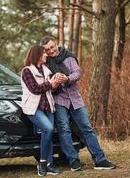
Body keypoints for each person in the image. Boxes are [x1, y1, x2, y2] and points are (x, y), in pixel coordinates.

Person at [40, 36, 116, 171]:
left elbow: (77, 73)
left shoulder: (68, 57)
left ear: (56, 44)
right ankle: (73, 161)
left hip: (75, 99)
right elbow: (45, 83)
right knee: (64, 130)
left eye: (52, 47)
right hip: (59, 100)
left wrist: (67, 78)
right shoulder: (45, 64)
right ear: (45, 51)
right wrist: (55, 82)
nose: (51, 51)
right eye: (47, 50)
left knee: (87, 128)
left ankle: (100, 160)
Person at [20, 45, 61, 176]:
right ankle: (42, 162)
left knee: (47, 134)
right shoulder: (27, 71)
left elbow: (51, 90)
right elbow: (35, 89)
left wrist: (56, 84)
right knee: (48, 129)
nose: (46, 55)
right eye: (44, 53)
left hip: (48, 106)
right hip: (33, 108)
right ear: (37, 55)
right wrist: (50, 84)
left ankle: (49, 165)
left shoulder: (46, 70)